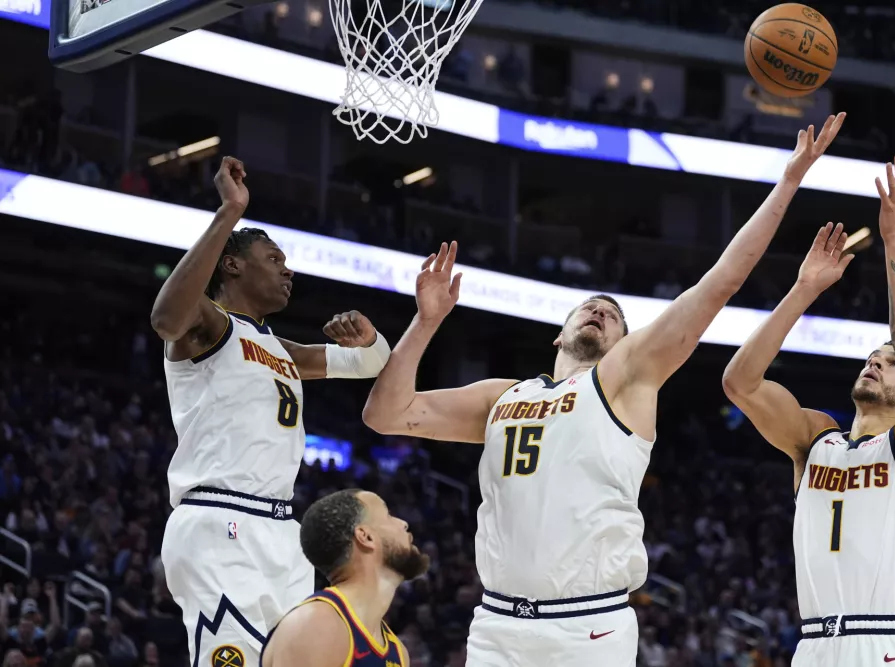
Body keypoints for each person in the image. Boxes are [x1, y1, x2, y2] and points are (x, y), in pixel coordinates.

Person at [362, 114, 846, 667]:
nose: (599, 310)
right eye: (588, 307)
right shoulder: (504, 397)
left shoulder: (624, 379)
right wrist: (425, 323)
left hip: (587, 628)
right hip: (496, 626)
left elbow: (720, 283)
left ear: (625, 343)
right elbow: (385, 414)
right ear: (558, 332)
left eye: (613, 315)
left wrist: (788, 181)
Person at [150, 157, 392, 667]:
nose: (288, 269)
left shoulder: (282, 349)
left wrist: (370, 338)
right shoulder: (209, 328)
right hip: (220, 519)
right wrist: (229, 214)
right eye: (274, 257)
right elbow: (165, 317)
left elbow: (368, 364)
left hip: (282, 530)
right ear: (233, 264)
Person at [721, 156, 895, 667]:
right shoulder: (816, 440)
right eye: (872, 357)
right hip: (815, 645)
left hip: (891, 642)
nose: (876, 362)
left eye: (887, 363)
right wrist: (804, 289)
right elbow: (740, 382)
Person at [260, 490, 430, 667]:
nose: (403, 523)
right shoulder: (317, 625)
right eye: (388, 515)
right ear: (366, 537)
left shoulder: (398, 652)